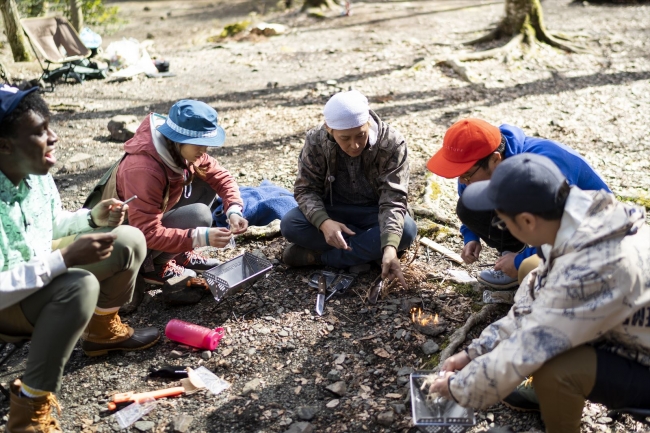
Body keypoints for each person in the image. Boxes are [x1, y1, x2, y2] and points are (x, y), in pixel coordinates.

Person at [428, 153, 650, 433]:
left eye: (502, 222)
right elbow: (535, 297)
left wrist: (459, 387)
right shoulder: (585, 221)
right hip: (630, 331)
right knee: (532, 270)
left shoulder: (590, 269)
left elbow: (529, 346)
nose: (502, 228)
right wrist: (474, 353)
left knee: (554, 369)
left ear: (528, 221)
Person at [0, 85, 160, 432]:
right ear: (4, 145)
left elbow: (52, 221)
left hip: (37, 275)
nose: (53, 137)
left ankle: (101, 332)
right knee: (79, 286)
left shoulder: (34, 177)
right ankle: (28, 414)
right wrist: (66, 259)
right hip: (5, 302)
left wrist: (92, 219)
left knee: (128, 240)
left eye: (50, 126)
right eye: (39, 132)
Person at [426, 118, 610, 289]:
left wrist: (521, 261)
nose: (462, 181)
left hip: (588, 230)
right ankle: (514, 252)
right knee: (468, 206)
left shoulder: (542, 168)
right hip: (550, 220)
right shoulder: (477, 168)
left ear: (495, 159)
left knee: (544, 280)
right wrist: (471, 236)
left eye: (466, 174)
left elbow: (565, 230)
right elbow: (468, 200)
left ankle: (522, 264)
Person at [281, 90, 417, 286]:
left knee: (407, 230)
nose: (354, 145)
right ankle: (369, 251)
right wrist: (324, 223)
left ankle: (320, 257)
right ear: (329, 129)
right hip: (333, 211)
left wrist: (389, 247)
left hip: (375, 212)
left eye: (360, 135)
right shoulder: (316, 140)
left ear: (368, 123)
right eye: (345, 138)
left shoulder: (392, 143)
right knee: (290, 224)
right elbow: (306, 190)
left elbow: (393, 199)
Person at [112, 100, 248, 285]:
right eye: (198, 144)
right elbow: (146, 231)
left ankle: (179, 254)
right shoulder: (143, 169)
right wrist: (200, 237)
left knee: (206, 180)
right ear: (177, 139)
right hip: (127, 235)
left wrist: (233, 210)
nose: (204, 150)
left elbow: (221, 176)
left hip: (155, 216)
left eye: (206, 144)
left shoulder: (181, 149)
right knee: (199, 215)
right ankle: (152, 266)